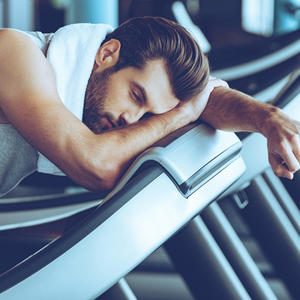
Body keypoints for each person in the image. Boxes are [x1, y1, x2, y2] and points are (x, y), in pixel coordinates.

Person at [0, 16, 299, 196]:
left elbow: (208, 100)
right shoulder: (15, 52)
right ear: (107, 54)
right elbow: (95, 165)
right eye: (136, 95)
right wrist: (181, 114)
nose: (132, 120)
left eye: (149, 113)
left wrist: (267, 119)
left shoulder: (83, 105)